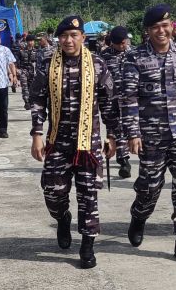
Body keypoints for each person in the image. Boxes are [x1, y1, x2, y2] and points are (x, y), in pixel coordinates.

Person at [30, 16, 119, 269]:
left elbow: (109, 103)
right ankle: (62, 219)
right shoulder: (47, 63)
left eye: (74, 35)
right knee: (53, 193)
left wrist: (112, 136)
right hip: (57, 142)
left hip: (88, 144)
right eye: (64, 36)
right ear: (59, 38)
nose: (69, 40)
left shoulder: (98, 64)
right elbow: (37, 100)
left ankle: (88, 245)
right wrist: (37, 133)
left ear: (82, 38)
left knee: (88, 195)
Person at [121, 4, 176, 265]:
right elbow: (129, 98)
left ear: (172, 26)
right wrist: (133, 133)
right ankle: (139, 216)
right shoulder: (134, 58)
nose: (162, 30)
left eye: (165, 25)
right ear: (147, 31)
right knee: (149, 187)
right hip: (151, 135)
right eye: (156, 27)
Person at [98, 27, 133, 178]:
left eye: (124, 43)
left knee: (128, 127)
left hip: (129, 99)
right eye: (119, 44)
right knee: (114, 128)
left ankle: (124, 158)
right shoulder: (103, 57)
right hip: (110, 100)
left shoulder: (133, 55)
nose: (122, 46)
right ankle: (124, 160)